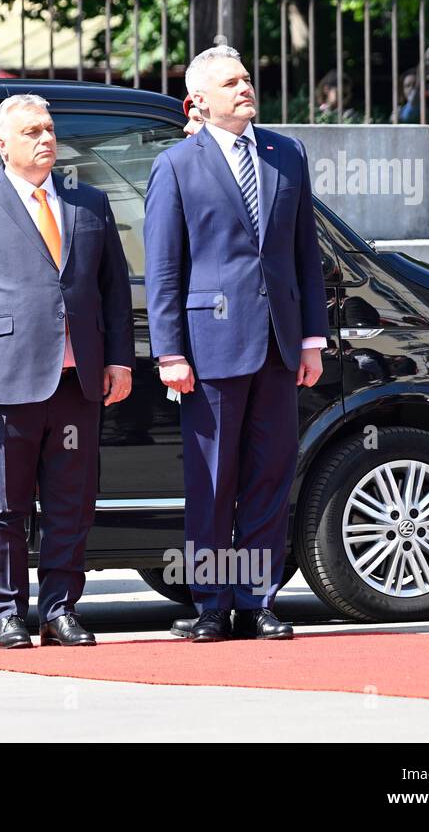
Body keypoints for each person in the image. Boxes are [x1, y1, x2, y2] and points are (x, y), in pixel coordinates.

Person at [0, 94, 134, 649]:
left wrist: (119, 357)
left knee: (72, 502)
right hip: (2, 379)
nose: (46, 139)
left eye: (48, 129)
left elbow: (113, 288)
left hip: (78, 380)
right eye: (31, 132)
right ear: (1, 145)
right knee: (3, 506)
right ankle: (7, 613)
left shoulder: (88, 202)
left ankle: (60, 609)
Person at [144, 46, 327, 642]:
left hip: (278, 346)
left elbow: (304, 255)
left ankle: (258, 599)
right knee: (213, 482)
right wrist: (170, 351)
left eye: (247, 78)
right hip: (210, 347)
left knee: (269, 478)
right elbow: (164, 268)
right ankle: (211, 606)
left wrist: (311, 340)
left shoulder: (285, 154)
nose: (245, 88)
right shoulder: (176, 165)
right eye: (231, 82)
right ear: (198, 100)